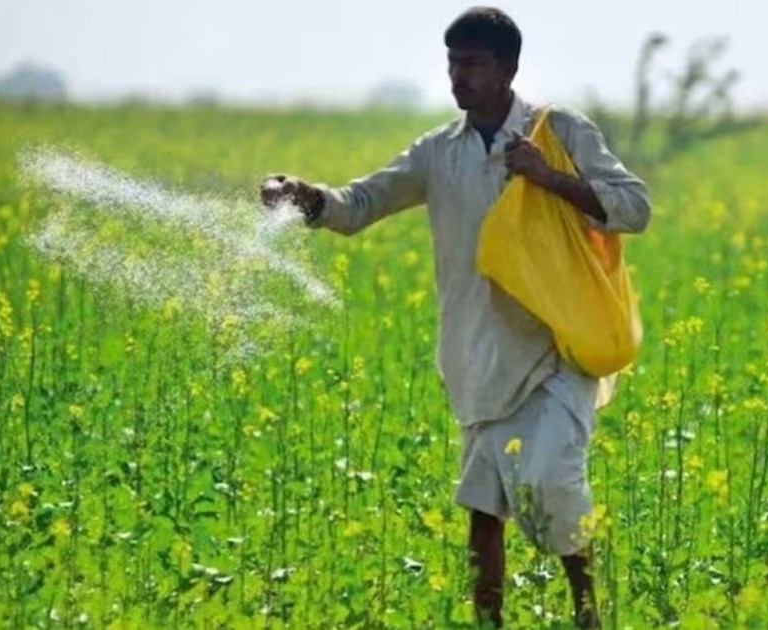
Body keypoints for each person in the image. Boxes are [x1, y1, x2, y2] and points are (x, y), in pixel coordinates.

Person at [260, 7, 650, 628]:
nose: (457, 76)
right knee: (484, 507)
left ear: (508, 69)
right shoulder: (438, 152)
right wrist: (306, 197)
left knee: (553, 481)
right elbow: (359, 204)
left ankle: (588, 615)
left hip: (555, 349)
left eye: (472, 64)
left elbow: (634, 207)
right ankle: (487, 622)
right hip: (476, 354)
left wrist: (547, 176)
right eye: (452, 63)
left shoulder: (559, 131)